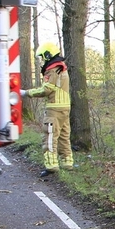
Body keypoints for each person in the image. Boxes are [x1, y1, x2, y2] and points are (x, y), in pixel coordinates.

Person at [22, 42, 72, 175]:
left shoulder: (52, 69)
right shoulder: (62, 68)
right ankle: (67, 163)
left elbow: (46, 90)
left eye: (43, 57)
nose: (42, 60)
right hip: (65, 108)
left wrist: (26, 93)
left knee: (50, 137)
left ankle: (51, 166)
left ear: (48, 54)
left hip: (54, 109)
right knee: (64, 137)